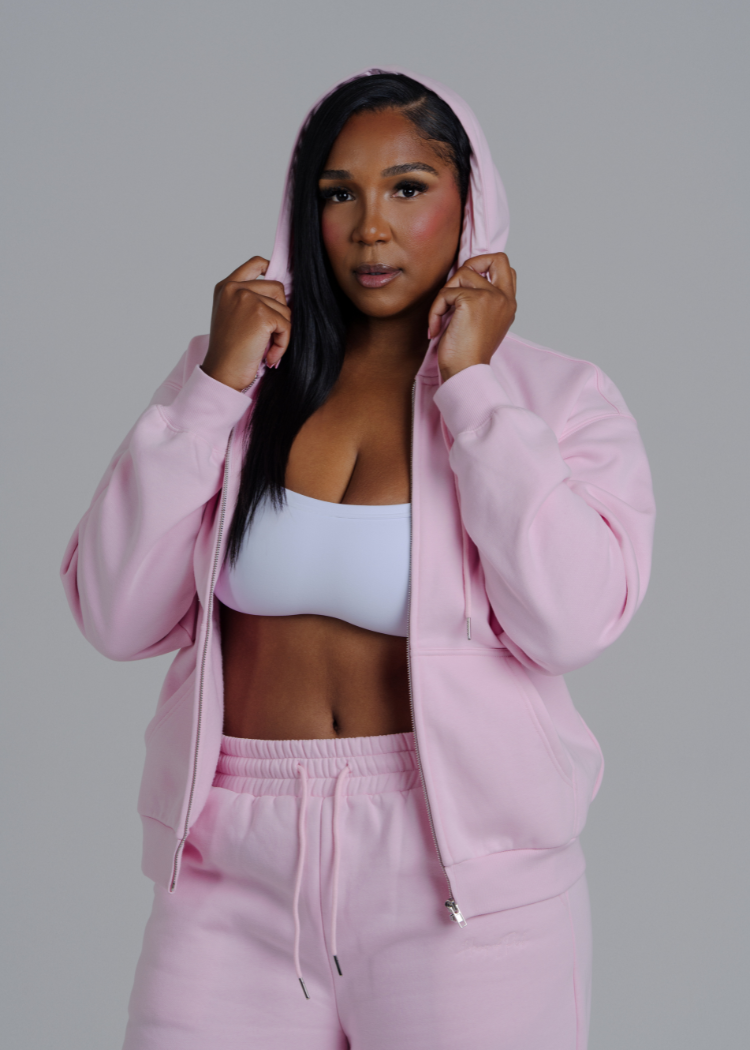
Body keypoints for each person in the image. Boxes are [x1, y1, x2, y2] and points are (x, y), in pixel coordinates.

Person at [61, 68, 655, 1050]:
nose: (371, 228)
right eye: (339, 194)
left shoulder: (553, 399)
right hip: (228, 872)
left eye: (408, 188)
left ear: (471, 202)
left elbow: (573, 620)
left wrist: (473, 387)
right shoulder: (239, 381)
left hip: (462, 881)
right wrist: (213, 386)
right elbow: (113, 614)